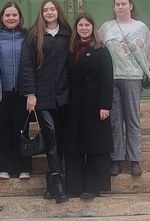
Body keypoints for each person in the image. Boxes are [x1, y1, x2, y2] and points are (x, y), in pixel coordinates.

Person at [19, 0, 71, 204]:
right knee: (50, 136)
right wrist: (30, 94)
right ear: (41, 13)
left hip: (64, 96)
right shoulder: (34, 35)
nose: (49, 12)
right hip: (42, 96)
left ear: (58, 12)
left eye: (53, 9)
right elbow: (26, 65)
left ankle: (51, 184)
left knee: (61, 139)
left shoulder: (67, 34)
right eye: (46, 10)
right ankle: (58, 184)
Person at [99, 0, 150, 177]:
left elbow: (148, 52)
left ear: (130, 6)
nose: (120, 7)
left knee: (132, 119)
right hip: (111, 78)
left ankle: (135, 159)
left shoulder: (141, 27)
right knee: (115, 120)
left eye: (123, 4)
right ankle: (116, 159)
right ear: (114, 7)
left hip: (132, 77)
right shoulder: (106, 27)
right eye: (117, 4)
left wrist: (141, 70)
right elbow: (99, 48)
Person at [64, 13, 113, 200]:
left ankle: (93, 186)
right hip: (73, 104)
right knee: (73, 144)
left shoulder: (101, 50)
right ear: (76, 28)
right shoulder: (71, 49)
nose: (84, 28)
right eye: (80, 25)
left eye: (87, 25)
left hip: (95, 104)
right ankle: (74, 186)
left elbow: (107, 79)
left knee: (95, 144)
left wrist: (105, 105)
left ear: (93, 28)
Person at [0, 2, 32, 180]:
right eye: (7, 15)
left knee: (21, 129)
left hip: (22, 91)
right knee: (0, 130)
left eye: (14, 15)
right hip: (0, 91)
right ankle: (3, 168)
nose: (11, 18)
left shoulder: (28, 35)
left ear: (20, 17)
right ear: (2, 17)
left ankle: (23, 167)